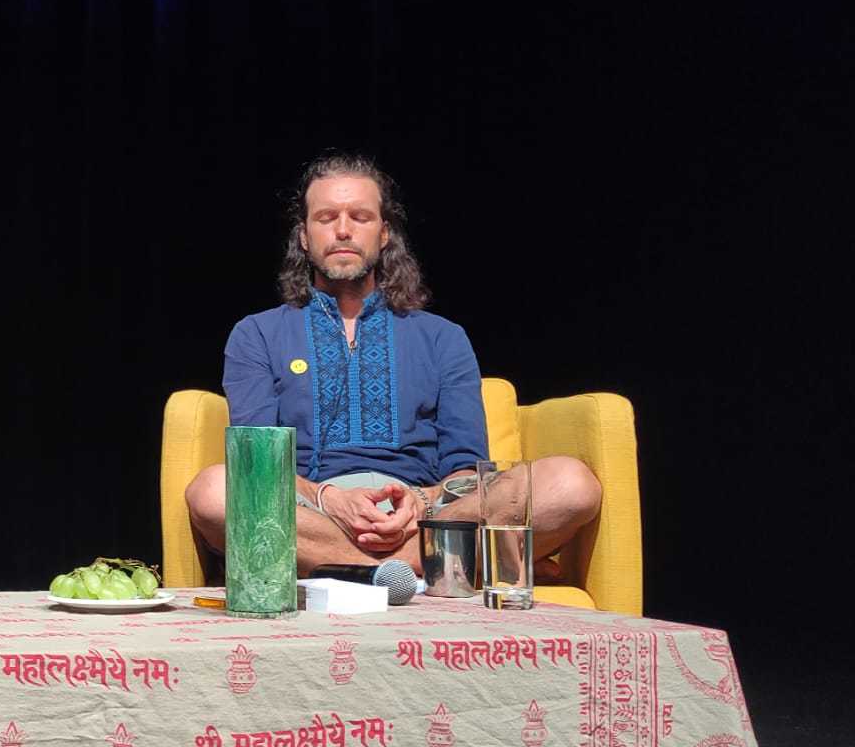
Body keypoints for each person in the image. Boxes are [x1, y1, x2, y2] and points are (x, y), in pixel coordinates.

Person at [183, 152, 603, 577]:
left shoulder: (442, 337)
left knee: (571, 483)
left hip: (423, 514)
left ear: (384, 233)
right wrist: (330, 499)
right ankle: (424, 566)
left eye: (360, 217)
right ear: (304, 237)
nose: (343, 229)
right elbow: (257, 461)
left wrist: (420, 504)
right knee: (213, 491)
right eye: (326, 217)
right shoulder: (257, 333)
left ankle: (362, 569)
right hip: (309, 512)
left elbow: (466, 467)